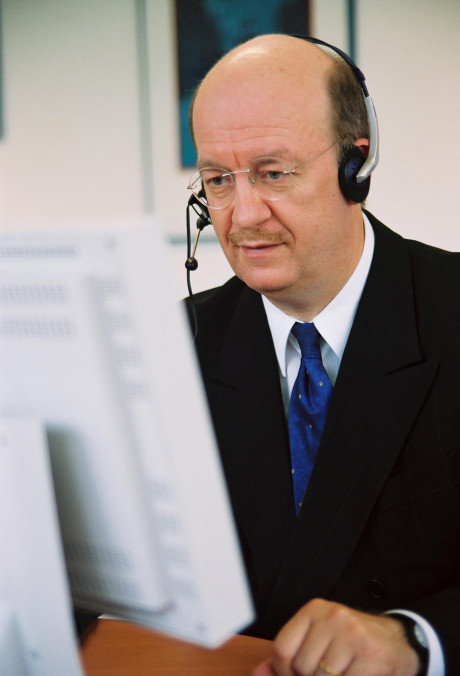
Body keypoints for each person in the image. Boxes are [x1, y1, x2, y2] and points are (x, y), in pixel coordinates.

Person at [185, 34, 460, 675]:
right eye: (218, 180)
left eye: (273, 173)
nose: (242, 216)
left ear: (354, 167)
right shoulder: (173, 347)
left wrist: (417, 640)